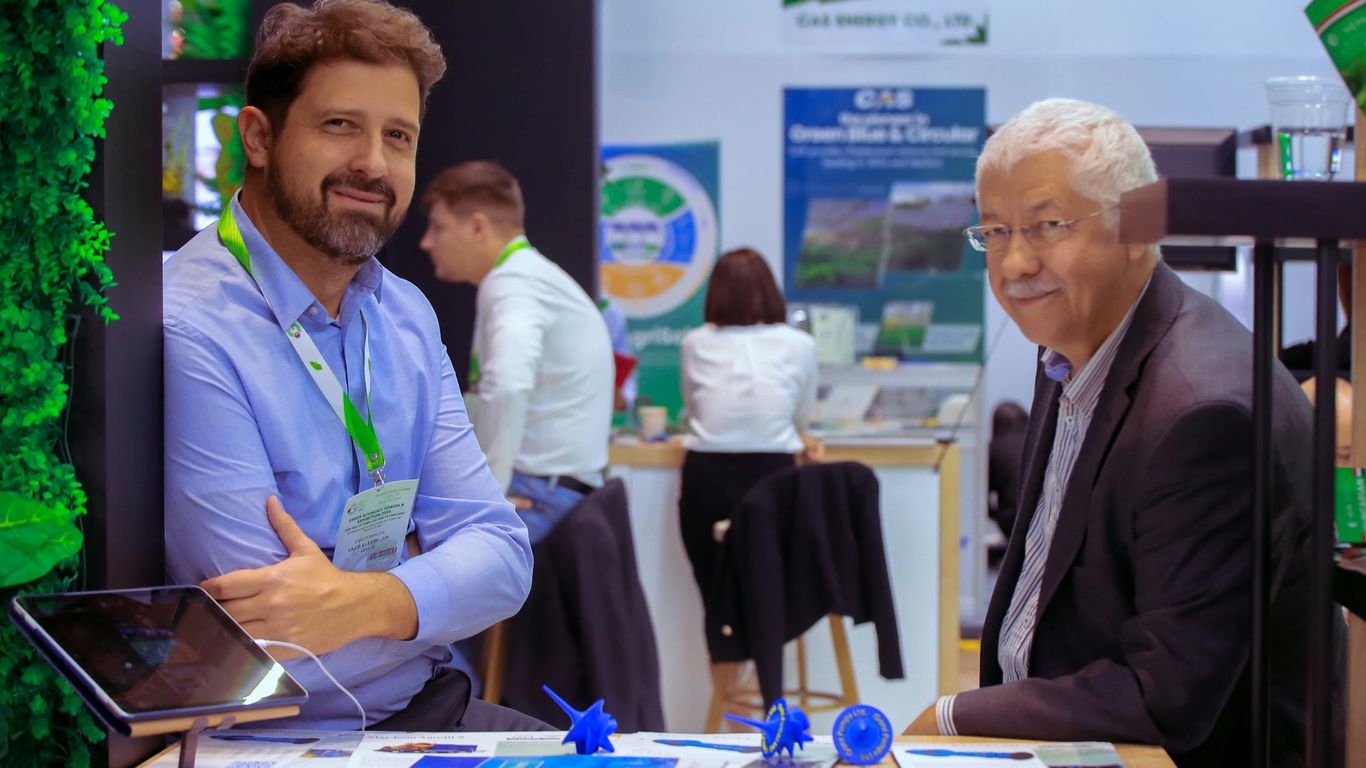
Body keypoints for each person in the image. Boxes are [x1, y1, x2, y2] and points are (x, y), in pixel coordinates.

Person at [904, 98, 1344, 765]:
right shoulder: (1073, 347)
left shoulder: (1205, 413)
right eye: (994, 232)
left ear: (1136, 227)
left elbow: (1164, 696)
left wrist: (953, 714)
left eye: (1047, 226)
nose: (1014, 263)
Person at [164, 0, 542, 731]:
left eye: (397, 136)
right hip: (285, 739)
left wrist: (358, 600)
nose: (373, 162)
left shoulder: (403, 315)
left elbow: (502, 557)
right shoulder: (193, 324)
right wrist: (430, 582)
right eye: (340, 126)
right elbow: (268, 638)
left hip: (430, 709)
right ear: (259, 136)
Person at [419, 161, 614, 545]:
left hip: (538, 494)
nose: (427, 242)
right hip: (557, 490)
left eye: (438, 227)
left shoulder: (514, 282)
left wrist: (486, 498)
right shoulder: (528, 276)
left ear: (478, 227)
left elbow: (506, 386)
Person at [676, 247, 821, 657]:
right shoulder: (799, 344)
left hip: (705, 479)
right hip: (774, 477)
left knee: (715, 596)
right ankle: (770, 695)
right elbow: (802, 415)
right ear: (770, 291)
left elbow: (694, 408)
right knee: (773, 595)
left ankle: (725, 694)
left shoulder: (695, 343)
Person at [987, 400, 1029, 540]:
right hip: (1049, 517)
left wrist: (997, 515)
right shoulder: (1043, 445)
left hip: (1013, 522)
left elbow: (979, 496)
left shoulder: (994, 449)